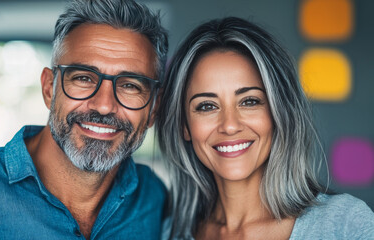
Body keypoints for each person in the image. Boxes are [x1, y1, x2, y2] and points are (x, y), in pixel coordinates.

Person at [0, 0, 168, 239]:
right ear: (49, 88)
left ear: (154, 107)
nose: (104, 106)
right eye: (83, 78)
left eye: (129, 86)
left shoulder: (153, 197)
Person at [157, 16, 374, 239]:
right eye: (207, 106)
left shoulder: (345, 224)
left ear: (278, 112)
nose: (230, 125)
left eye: (249, 101)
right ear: (184, 125)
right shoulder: (168, 232)